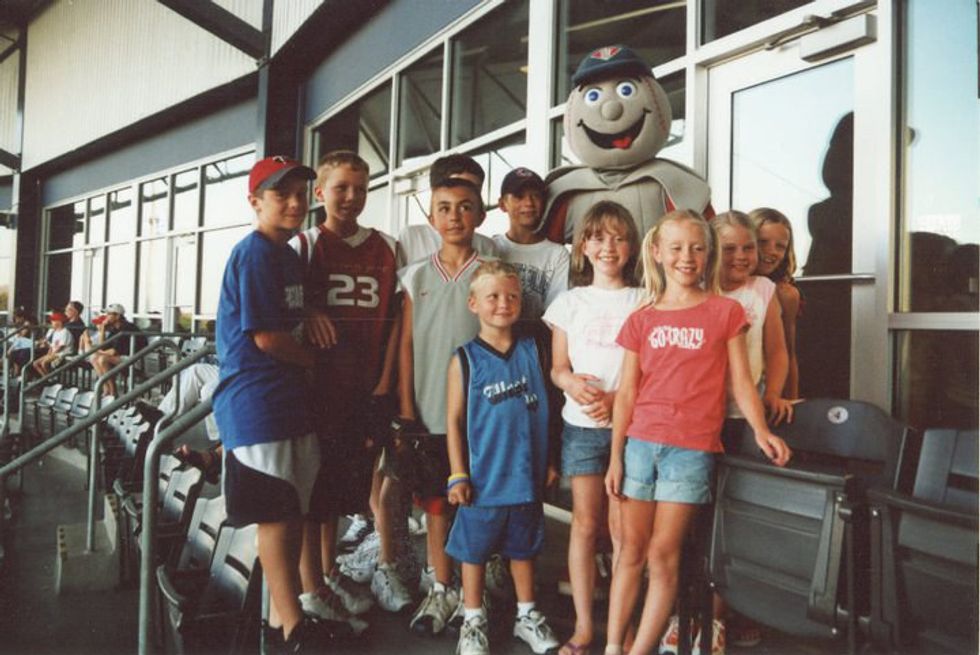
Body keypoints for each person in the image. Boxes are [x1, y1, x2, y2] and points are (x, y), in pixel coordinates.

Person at [603, 210, 792, 655]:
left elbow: (741, 381)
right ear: (657, 253)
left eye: (697, 248)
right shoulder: (642, 318)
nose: (687, 257)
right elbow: (626, 394)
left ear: (708, 255)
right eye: (676, 248)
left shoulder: (726, 312)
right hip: (640, 446)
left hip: (690, 450)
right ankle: (613, 646)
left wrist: (761, 430)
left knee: (662, 554)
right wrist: (615, 456)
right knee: (630, 551)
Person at [658, 211, 794, 654]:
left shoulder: (762, 290)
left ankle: (717, 617)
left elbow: (777, 351)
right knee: (690, 523)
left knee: (729, 521)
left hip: (744, 421)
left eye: (748, 248)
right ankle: (683, 614)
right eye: (729, 248)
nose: (741, 256)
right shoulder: (697, 291)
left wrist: (774, 393)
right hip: (698, 420)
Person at [211, 155, 333, 651]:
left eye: (301, 193)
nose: (295, 202)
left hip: (285, 402)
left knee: (293, 511)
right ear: (255, 201)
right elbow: (267, 337)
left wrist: (315, 312)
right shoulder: (256, 252)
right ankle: (292, 628)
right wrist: (314, 363)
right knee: (278, 515)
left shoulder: (286, 254)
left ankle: (285, 621)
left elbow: (292, 312)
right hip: (257, 404)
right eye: (282, 194)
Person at [289, 149, 401, 627]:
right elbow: (283, 305)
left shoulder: (387, 248)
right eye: (341, 188)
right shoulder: (305, 245)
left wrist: (384, 383)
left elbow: (397, 320)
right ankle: (310, 583)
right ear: (320, 193)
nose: (351, 197)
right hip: (317, 390)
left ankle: (328, 570)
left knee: (338, 491)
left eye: (360, 188)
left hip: (362, 391)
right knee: (312, 492)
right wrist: (308, 311)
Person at [542, 201, 643, 655]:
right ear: (583, 246)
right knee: (585, 525)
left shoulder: (644, 299)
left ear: (632, 247)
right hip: (581, 427)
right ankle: (584, 628)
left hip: (632, 427)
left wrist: (616, 399)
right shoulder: (569, 302)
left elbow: (651, 370)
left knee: (624, 534)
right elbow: (558, 367)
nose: (608, 247)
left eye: (619, 238)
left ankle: (621, 633)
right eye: (599, 237)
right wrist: (569, 383)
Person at [445, 261, 560, 655]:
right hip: (483, 482)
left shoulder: (534, 351)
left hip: (526, 477)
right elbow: (454, 421)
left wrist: (549, 461)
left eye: (512, 296)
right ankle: (472, 618)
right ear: (473, 303)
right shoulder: (465, 359)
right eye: (492, 296)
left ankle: (526, 615)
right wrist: (458, 473)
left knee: (523, 549)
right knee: (474, 553)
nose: (503, 303)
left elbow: (546, 412)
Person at [395, 176, 491, 636]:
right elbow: (405, 345)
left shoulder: (492, 273)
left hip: (482, 414)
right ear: (432, 217)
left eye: (465, 206)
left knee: (477, 503)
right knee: (435, 503)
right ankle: (441, 585)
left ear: (481, 215)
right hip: (430, 409)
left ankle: (475, 593)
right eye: (445, 207)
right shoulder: (415, 275)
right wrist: (406, 407)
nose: (455, 216)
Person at [492, 167, 570, 324]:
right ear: (502, 204)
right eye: (519, 196)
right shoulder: (492, 248)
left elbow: (557, 313)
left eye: (535, 196)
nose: (528, 203)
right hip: (495, 334)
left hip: (540, 336)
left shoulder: (557, 254)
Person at [397, 154, 497, 265]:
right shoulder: (412, 237)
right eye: (458, 184)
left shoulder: (487, 246)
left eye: (475, 189)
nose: (466, 193)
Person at [749, 207, 801, 398]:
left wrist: (793, 401)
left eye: (780, 246)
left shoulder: (786, 294)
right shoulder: (721, 286)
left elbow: (788, 352)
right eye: (763, 242)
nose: (771, 251)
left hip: (765, 390)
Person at [89, 304, 142, 397]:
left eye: (109, 314)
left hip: (134, 359)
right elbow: (103, 347)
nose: (106, 317)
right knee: (94, 358)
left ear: (117, 316)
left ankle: (113, 392)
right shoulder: (115, 329)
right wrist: (102, 329)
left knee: (102, 359)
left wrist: (99, 352)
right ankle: (106, 389)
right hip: (120, 358)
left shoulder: (127, 327)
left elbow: (113, 352)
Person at [32, 312, 74, 376]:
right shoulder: (56, 331)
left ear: (59, 322)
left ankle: (51, 379)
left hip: (62, 353)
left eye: (53, 320)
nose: (51, 322)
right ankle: (46, 379)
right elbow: (52, 346)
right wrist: (49, 351)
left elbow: (60, 347)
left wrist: (50, 354)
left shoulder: (65, 332)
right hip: (54, 353)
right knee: (35, 364)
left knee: (44, 363)